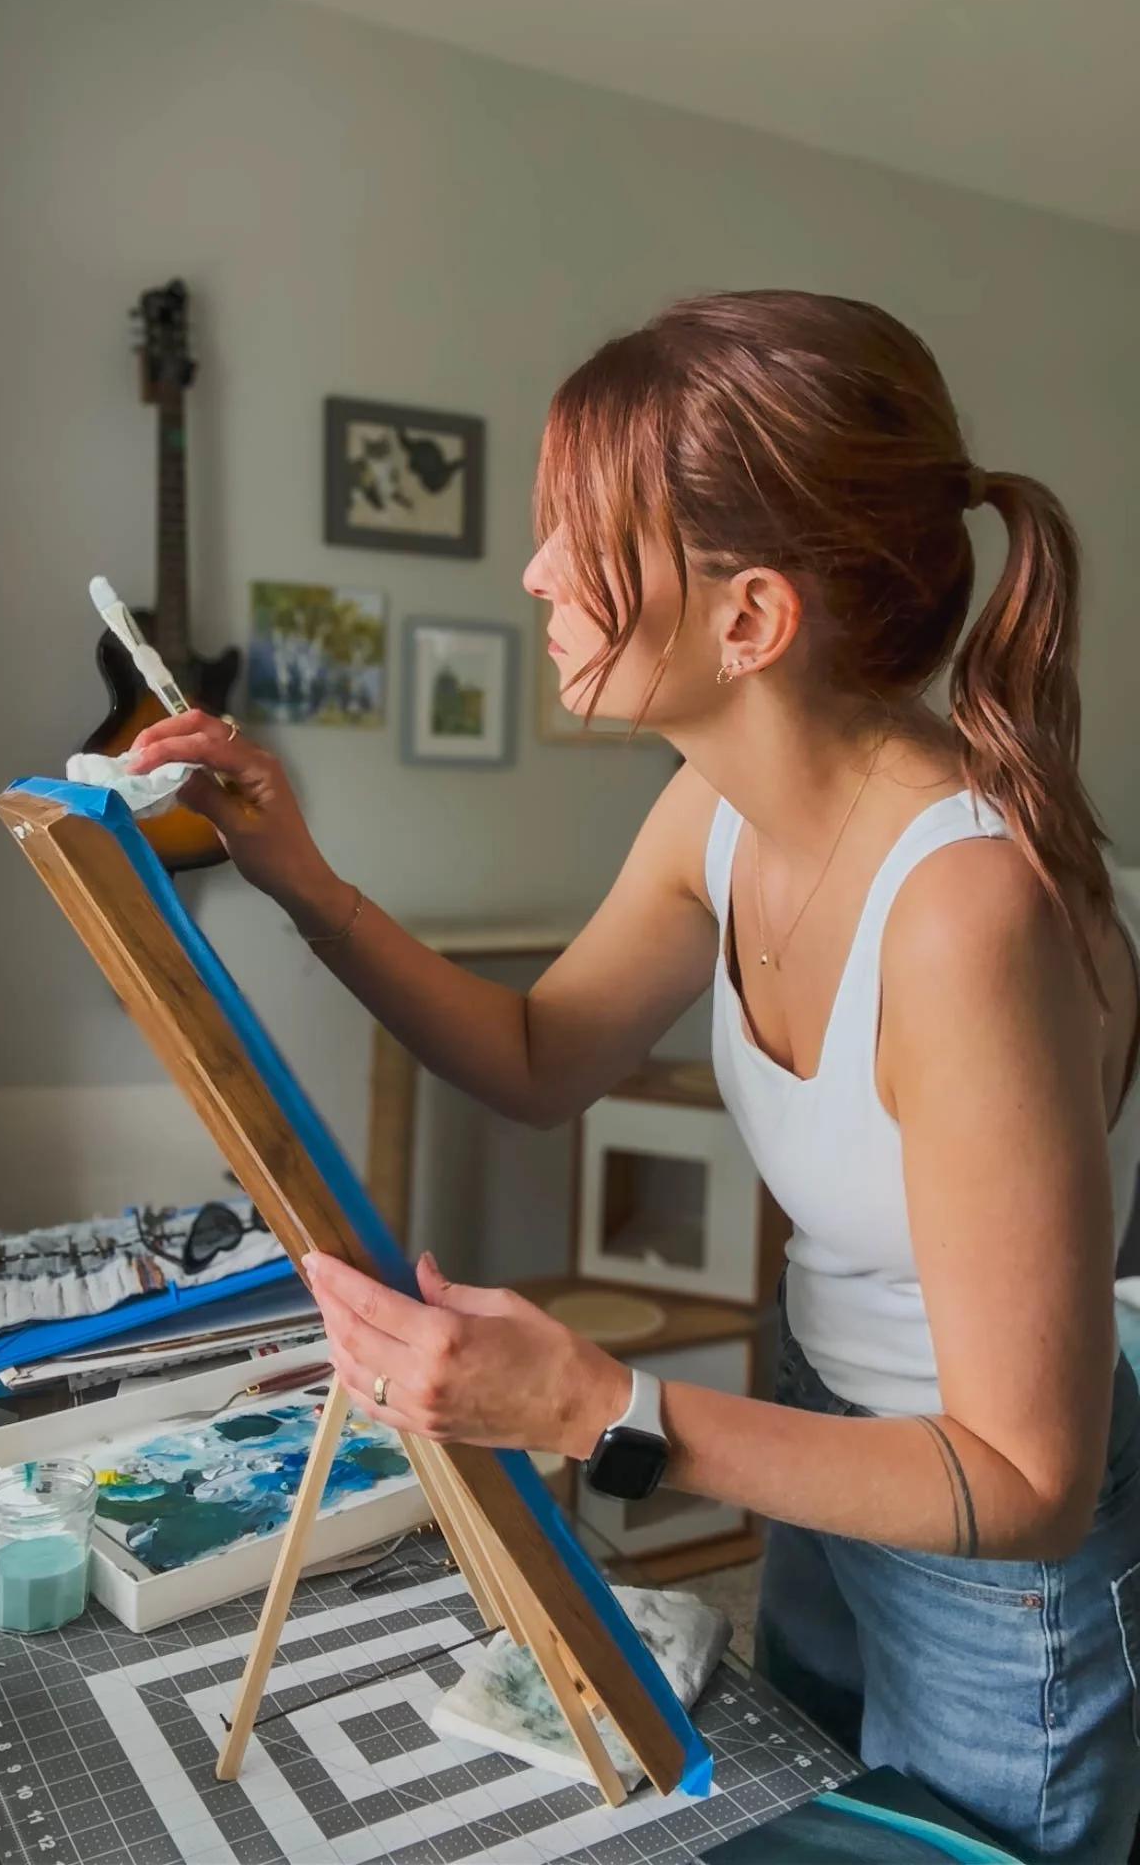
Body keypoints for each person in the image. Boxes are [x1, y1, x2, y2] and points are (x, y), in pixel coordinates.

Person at [129, 292, 1140, 1861]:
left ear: (749, 622)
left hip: (990, 1543)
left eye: (578, 535)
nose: (533, 571)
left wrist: (608, 1404)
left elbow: (1031, 1481)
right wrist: (303, 881)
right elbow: (541, 1058)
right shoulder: (714, 816)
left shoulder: (966, 910)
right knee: (815, 1815)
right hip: (828, 1431)